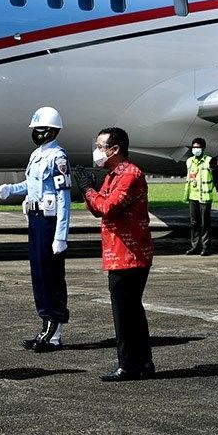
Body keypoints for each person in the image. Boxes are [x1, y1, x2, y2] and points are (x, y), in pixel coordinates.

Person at [72, 127, 155, 382]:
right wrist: (91, 191)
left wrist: (87, 189)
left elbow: (107, 208)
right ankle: (142, 362)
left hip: (129, 254)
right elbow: (100, 208)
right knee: (132, 311)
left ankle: (128, 364)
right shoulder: (113, 175)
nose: (97, 151)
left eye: (100, 146)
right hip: (120, 252)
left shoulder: (129, 175)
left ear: (115, 149)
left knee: (124, 312)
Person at [0, 107, 71, 352]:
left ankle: (54, 330)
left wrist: (61, 235)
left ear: (51, 130)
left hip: (50, 222)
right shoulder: (37, 155)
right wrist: (11, 189)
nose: (36, 133)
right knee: (38, 273)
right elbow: (31, 184)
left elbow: (64, 199)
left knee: (51, 274)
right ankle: (45, 324)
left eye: (40, 129)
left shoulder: (58, 157)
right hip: (35, 218)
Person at [183, 137, 214, 256]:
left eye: (198, 147)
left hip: (204, 196)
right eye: (194, 147)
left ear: (203, 149)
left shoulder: (209, 161)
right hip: (192, 195)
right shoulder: (189, 161)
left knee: (204, 223)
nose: (196, 149)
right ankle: (195, 246)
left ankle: (206, 247)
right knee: (194, 223)